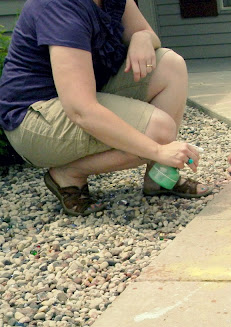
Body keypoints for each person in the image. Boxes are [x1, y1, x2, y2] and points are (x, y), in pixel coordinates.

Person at [0, 0, 212, 217]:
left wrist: (142, 37)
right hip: (34, 119)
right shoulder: (60, 8)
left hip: (85, 95)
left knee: (170, 65)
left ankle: (158, 177)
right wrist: (158, 151)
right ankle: (68, 174)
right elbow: (81, 110)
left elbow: (146, 33)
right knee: (160, 130)